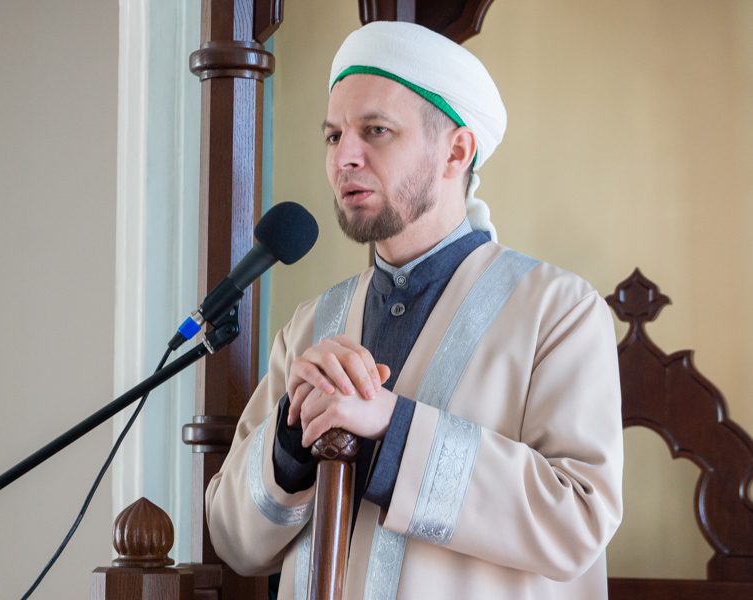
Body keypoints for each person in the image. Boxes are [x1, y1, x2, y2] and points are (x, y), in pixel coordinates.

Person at [206, 20, 623, 600]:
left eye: (375, 131)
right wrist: (291, 439)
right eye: (333, 136)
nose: (345, 157)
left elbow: (578, 521)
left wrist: (393, 428)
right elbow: (233, 543)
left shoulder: (559, 312)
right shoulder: (309, 327)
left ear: (456, 150)